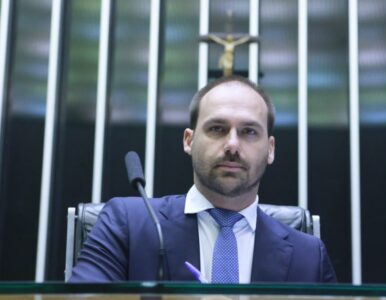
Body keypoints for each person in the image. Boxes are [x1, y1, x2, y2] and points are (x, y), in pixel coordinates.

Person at [69, 75, 337, 283]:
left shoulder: (309, 256)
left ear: (270, 149)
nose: (232, 145)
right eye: (217, 129)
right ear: (189, 140)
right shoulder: (128, 223)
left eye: (249, 132)